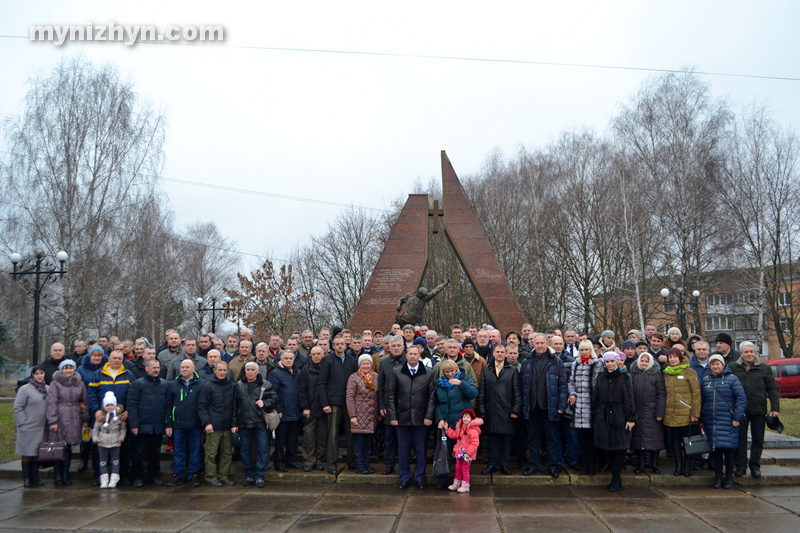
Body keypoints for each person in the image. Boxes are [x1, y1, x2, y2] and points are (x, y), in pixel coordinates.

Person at [387, 344, 436, 490]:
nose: (413, 356)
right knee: (403, 450)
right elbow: (391, 395)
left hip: (421, 418)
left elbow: (432, 397)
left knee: (421, 450)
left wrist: (428, 416)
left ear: (420, 355)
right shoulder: (396, 371)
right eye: (410, 354)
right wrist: (393, 415)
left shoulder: (429, 372)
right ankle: (404, 477)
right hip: (402, 417)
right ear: (406, 355)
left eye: (416, 354)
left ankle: (420, 477)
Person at [729, 341, 779, 479]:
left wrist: (775, 408)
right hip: (740, 410)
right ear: (741, 353)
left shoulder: (764, 368)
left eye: (751, 351)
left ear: (755, 352)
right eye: (746, 352)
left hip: (758, 409)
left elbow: (772, 389)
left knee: (758, 439)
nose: (749, 354)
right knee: (741, 439)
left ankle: (755, 466)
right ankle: (740, 466)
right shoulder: (733, 367)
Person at [521, 333, 568, 478]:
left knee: (552, 438)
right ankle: (534, 465)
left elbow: (562, 385)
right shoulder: (527, 361)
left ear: (547, 343)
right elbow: (522, 384)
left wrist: (561, 405)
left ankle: (553, 466)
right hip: (533, 406)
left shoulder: (556, 361)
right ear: (533, 344)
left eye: (542, 343)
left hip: (550, 406)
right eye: (537, 343)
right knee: (533, 439)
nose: (540, 345)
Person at [87, 351, 136, 486]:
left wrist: (128, 410)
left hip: (121, 418)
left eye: (120, 358)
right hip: (102, 418)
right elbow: (91, 394)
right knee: (99, 448)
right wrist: (96, 410)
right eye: (114, 358)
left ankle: (122, 475)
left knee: (123, 448)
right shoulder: (98, 375)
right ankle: (99, 475)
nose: (117, 360)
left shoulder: (129, 375)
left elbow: (133, 395)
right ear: (109, 359)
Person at [701, 354, 747, 489]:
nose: (715, 366)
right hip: (711, 420)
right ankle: (718, 477)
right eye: (713, 364)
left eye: (718, 364)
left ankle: (729, 478)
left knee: (728, 451)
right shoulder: (705, 380)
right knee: (716, 451)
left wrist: (737, 418)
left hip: (728, 420)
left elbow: (741, 399)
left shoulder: (732, 379)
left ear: (723, 365)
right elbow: (703, 400)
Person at [592, 352, 636, 492]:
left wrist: (630, 418)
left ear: (618, 362)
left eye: (612, 361)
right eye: (607, 361)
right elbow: (596, 397)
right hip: (604, 415)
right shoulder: (601, 377)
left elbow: (629, 398)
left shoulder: (624, 377)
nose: (610, 364)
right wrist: (597, 413)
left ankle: (616, 478)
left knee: (619, 447)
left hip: (619, 414)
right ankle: (612, 476)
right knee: (607, 445)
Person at [478, 345, 522, 476]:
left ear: (506, 354)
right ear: (493, 353)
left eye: (502, 352)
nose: (500, 354)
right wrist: (481, 409)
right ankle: (491, 464)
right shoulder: (487, 369)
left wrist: (515, 409)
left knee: (505, 440)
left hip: (506, 410)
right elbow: (482, 391)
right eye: (497, 352)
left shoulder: (512, 370)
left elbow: (517, 392)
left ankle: (504, 464)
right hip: (491, 410)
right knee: (492, 439)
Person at [435, 359, 478, 489]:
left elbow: (473, 393)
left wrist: (461, 384)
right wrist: (439, 419)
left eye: (452, 371)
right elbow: (436, 402)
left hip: (461, 423)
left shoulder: (464, 378)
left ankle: (463, 479)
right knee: (445, 450)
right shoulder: (439, 383)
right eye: (447, 372)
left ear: (457, 370)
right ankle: (442, 478)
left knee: (462, 452)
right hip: (446, 422)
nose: (450, 374)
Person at [319, 336, 358, 475]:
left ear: (346, 346)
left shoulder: (352, 361)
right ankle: (332, 464)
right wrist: (325, 403)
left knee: (351, 433)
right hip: (333, 402)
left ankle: (352, 462)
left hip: (349, 402)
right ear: (333, 346)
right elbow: (322, 383)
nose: (340, 346)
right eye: (337, 344)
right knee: (333, 434)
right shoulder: (327, 360)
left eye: (342, 344)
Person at [46, 359, 89, 486]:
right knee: (59, 446)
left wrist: (85, 418)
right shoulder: (55, 383)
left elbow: (84, 402)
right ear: (62, 369)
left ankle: (65, 474)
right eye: (66, 368)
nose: (68, 370)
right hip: (60, 415)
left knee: (69, 446)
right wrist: (53, 420)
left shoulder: (80, 383)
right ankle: (57, 475)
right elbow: (52, 402)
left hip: (75, 416)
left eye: (71, 367)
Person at [127, 358, 169, 487]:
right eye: (153, 368)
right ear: (146, 368)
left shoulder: (164, 384)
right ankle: (137, 477)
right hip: (142, 426)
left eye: (158, 368)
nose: (156, 370)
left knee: (155, 453)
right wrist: (133, 425)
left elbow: (167, 406)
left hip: (158, 426)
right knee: (139, 453)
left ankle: (154, 476)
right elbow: (132, 406)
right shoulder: (137, 384)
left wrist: (167, 424)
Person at [235, 362, 277, 487]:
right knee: (245, 450)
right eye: (248, 369)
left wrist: (265, 403)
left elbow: (274, 398)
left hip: (260, 423)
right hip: (243, 422)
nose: (250, 372)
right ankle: (249, 474)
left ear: (257, 371)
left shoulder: (265, 384)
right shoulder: (239, 385)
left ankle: (260, 475)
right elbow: (234, 405)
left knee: (263, 449)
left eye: (253, 369)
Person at [165, 360, 207, 487]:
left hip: (195, 424)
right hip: (178, 425)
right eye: (182, 367)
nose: (184, 369)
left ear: (193, 368)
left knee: (195, 451)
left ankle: (194, 475)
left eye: (187, 367)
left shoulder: (202, 384)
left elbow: (204, 405)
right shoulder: (172, 385)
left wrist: (204, 422)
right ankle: (177, 475)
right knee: (178, 451)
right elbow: (168, 406)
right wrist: (168, 424)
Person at [197, 360, 238, 486]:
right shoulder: (208, 386)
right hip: (213, 426)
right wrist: (207, 423)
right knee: (211, 453)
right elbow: (201, 406)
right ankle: (211, 477)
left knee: (227, 453)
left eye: (224, 370)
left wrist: (234, 424)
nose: (222, 372)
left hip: (228, 426)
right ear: (214, 370)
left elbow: (235, 407)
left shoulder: (232, 385)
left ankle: (223, 475)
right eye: (219, 370)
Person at [663, 348, 701, 477]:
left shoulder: (689, 372)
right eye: (670, 357)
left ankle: (687, 466)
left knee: (687, 441)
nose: (672, 359)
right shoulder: (666, 373)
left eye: (675, 357)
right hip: (671, 413)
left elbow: (696, 394)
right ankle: (678, 465)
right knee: (675, 441)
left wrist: (695, 413)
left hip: (686, 413)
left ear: (680, 358)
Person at [568, 339, 604, 476]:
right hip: (578, 408)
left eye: (586, 349)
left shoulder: (597, 364)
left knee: (591, 438)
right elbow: (571, 382)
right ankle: (584, 465)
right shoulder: (575, 364)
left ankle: (592, 466)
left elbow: (598, 385)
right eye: (582, 349)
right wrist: (572, 394)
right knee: (581, 439)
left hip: (591, 407)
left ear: (591, 350)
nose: (584, 352)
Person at [630, 352, 666, 475]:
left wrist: (660, 412)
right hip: (638, 412)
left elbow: (662, 394)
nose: (644, 363)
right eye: (642, 361)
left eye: (646, 361)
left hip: (653, 412)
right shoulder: (634, 375)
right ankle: (641, 464)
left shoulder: (657, 376)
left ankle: (654, 464)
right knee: (639, 440)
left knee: (654, 439)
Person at [14, 366, 49, 488]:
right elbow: (18, 407)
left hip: (42, 427)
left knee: (37, 453)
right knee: (27, 453)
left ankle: (36, 477)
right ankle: (27, 478)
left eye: (41, 373)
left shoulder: (47, 389)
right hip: (28, 427)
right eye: (37, 373)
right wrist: (22, 423)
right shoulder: (25, 389)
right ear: (32, 375)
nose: (39, 376)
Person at [346, 354, 380, 474]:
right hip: (359, 415)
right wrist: (353, 416)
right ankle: (359, 465)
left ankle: (367, 464)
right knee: (359, 443)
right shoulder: (353, 378)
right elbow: (349, 397)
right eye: (363, 363)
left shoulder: (376, 377)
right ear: (359, 365)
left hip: (371, 415)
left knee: (368, 443)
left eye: (368, 363)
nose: (366, 366)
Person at [269, 350, 303, 471]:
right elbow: (273, 393)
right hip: (282, 412)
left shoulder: (298, 372)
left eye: (291, 358)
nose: (289, 360)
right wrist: (278, 409)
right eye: (286, 358)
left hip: (295, 411)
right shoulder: (275, 374)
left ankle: (291, 460)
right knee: (280, 439)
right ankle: (278, 462)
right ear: (281, 360)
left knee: (292, 439)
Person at [378, 335, 407, 475]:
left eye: (398, 346)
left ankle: (403, 463)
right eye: (393, 346)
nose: (396, 348)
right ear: (389, 347)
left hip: (406, 406)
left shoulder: (409, 361)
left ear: (403, 347)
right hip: (389, 406)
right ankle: (389, 463)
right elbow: (381, 387)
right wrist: (381, 406)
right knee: (389, 438)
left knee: (403, 438)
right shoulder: (384, 364)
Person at [299, 346, 328, 472]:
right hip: (310, 408)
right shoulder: (306, 370)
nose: (316, 356)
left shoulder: (327, 368)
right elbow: (302, 390)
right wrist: (305, 407)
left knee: (322, 437)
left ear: (323, 354)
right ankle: (308, 461)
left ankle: (319, 460)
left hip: (324, 408)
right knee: (309, 437)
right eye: (314, 354)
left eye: (318, 354)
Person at [446, 408, 483, 493]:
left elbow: (474, 443)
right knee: (458, 468)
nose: (465, 419)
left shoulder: (473, 431)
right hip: (459, 453)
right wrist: (447, 429)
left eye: (468, 417)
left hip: (467, 454)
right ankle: (456, 483)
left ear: (471, 419)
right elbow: (455, 435)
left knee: (465, 469)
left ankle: (465, 485)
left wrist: (468, 452)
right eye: (464, 417)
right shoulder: (461, 428)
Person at [94, 391, 126, 488]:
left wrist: (121, 437)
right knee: (103, 461)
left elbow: (123, 428)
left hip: (115, 442)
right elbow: (96, 429)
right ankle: (104, 479)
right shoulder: (101, 417)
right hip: (102, 442)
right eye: (107, 405)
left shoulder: (119, 417)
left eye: (112, 405)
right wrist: (96, 439)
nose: (110, 407)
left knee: (115, 460)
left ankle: (114, 478)